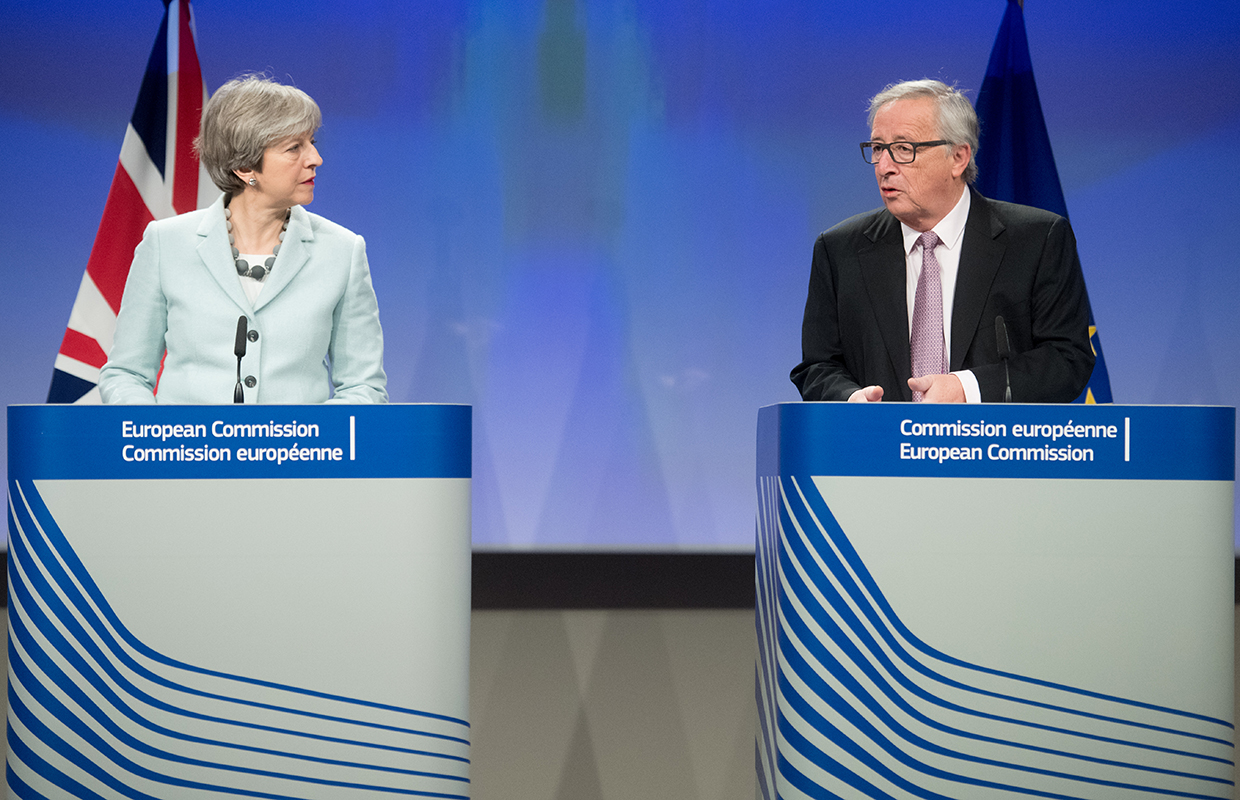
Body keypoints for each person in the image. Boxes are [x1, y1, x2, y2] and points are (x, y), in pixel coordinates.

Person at [790, 79, 1093, 403]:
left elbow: (1066, 359)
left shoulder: (1036, 240)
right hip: (881, 447)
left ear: (958, 157)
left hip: (993, 447)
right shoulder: (839, 250)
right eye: (878, 148)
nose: (885, 167)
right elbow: (818, 366)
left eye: (904, 149)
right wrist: (850, 400)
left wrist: (967, 388)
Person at [100, 74, 388, 404]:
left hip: (298, 452)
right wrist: (163, 440)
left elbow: (363, 386)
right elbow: (127, 374)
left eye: (312, 144)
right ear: (245, 167)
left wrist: (313, 442)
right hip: (186, 451)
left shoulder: (342, 251)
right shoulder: (166, 244)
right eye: (294, 148)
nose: (314, 159)